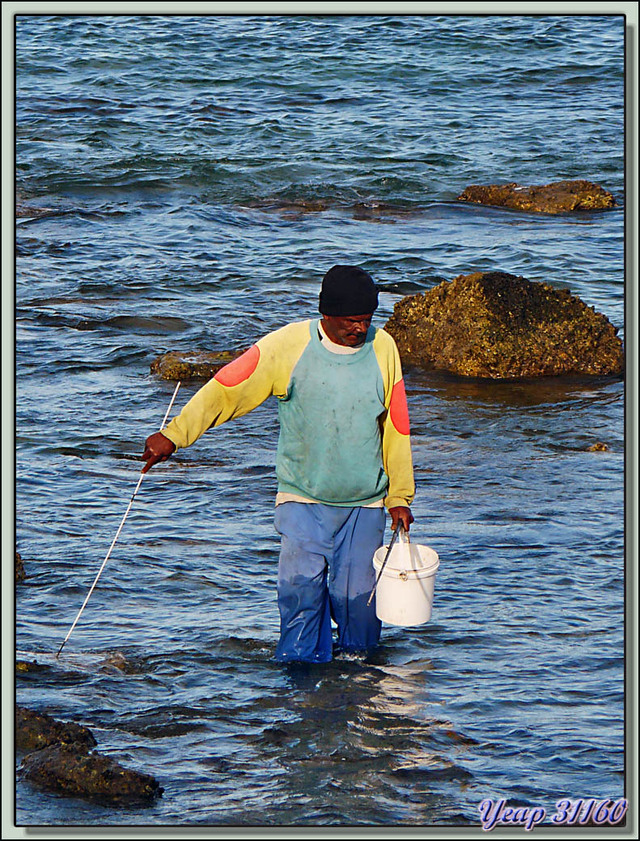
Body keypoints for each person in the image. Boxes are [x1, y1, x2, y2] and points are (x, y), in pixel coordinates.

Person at [142, 265, 415, 663]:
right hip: (302, 501)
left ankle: (358, 701)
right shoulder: (287, 346)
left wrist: (400, 497)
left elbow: (396, 425)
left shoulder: (383, 347)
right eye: (351, 321)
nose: (360, 329)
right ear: (326, 315)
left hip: (365, 506)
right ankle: (299, 693)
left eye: (367, 319)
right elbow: (227, 388)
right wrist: (175, 434)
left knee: (360, 616)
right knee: (300, 603)